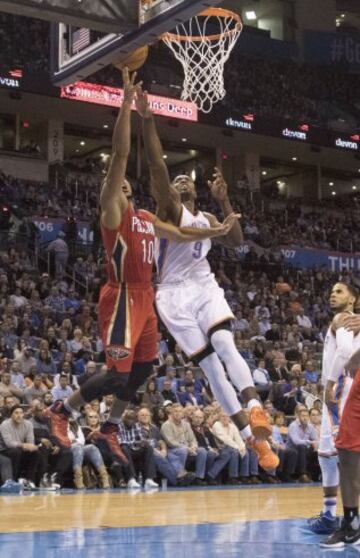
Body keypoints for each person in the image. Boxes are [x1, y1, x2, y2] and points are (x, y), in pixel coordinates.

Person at [45, 68, 238, 458]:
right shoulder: (113, 212)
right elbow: (121, 154)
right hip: (120, 298)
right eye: (116, 182)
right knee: (117, 373)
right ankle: (62, 410)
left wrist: (215, 233)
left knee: (144, 370)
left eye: (125, 183)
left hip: (146, 296)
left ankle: (110, 427)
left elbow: (181, 234)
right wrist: (126, 107)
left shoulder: (146, 218)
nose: (122, 183)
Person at [136, 87, 279, 472]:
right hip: (171, 296)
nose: (181, 181)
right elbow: (156, 166)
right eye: (177, 178)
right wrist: (148, 120)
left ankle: (254, 409)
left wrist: (225, 200)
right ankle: (253, 442)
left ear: (196, 189)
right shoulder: (171, 209)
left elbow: (236, 239)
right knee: (212, 370)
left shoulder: (208, 218)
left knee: (223, 342)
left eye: (187, 179)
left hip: (204, 287)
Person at [307, 283, 360, 535]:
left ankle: (334, 516)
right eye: (331, 291)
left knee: (336, 455)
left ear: (353, 298)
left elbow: (346, 351)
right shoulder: (354, 321)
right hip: (350, 388)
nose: (332, 294)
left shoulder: (342, 318)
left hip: (340, 390)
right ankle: (333, 514)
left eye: (339, 291)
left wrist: (330, 382)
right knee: (330, 454)